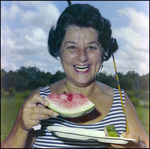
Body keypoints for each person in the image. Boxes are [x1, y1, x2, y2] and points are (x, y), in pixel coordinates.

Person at [1, 3, 149, 148]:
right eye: (72, 47)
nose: (82, 57)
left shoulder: (121, 102)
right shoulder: (39, 100)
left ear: (103, 52)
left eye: (91, 47)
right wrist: (21, 127)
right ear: (59, 51)